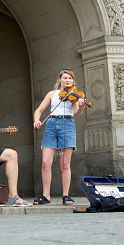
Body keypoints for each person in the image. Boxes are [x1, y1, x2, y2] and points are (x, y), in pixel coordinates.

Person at [33, 69, 86, 205]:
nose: (68, 80)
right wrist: (37, 120)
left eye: (70, 78)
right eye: (65, 78)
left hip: (67, 124)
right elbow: (39, 110)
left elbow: (76, 112)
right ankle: (46, 195)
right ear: (60, 79)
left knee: (65, 164)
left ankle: (66, 195)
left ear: (72, 81)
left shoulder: (74, 95)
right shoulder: (52, 94)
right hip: (51, 124)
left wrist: (81, 106)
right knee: (46, 162)